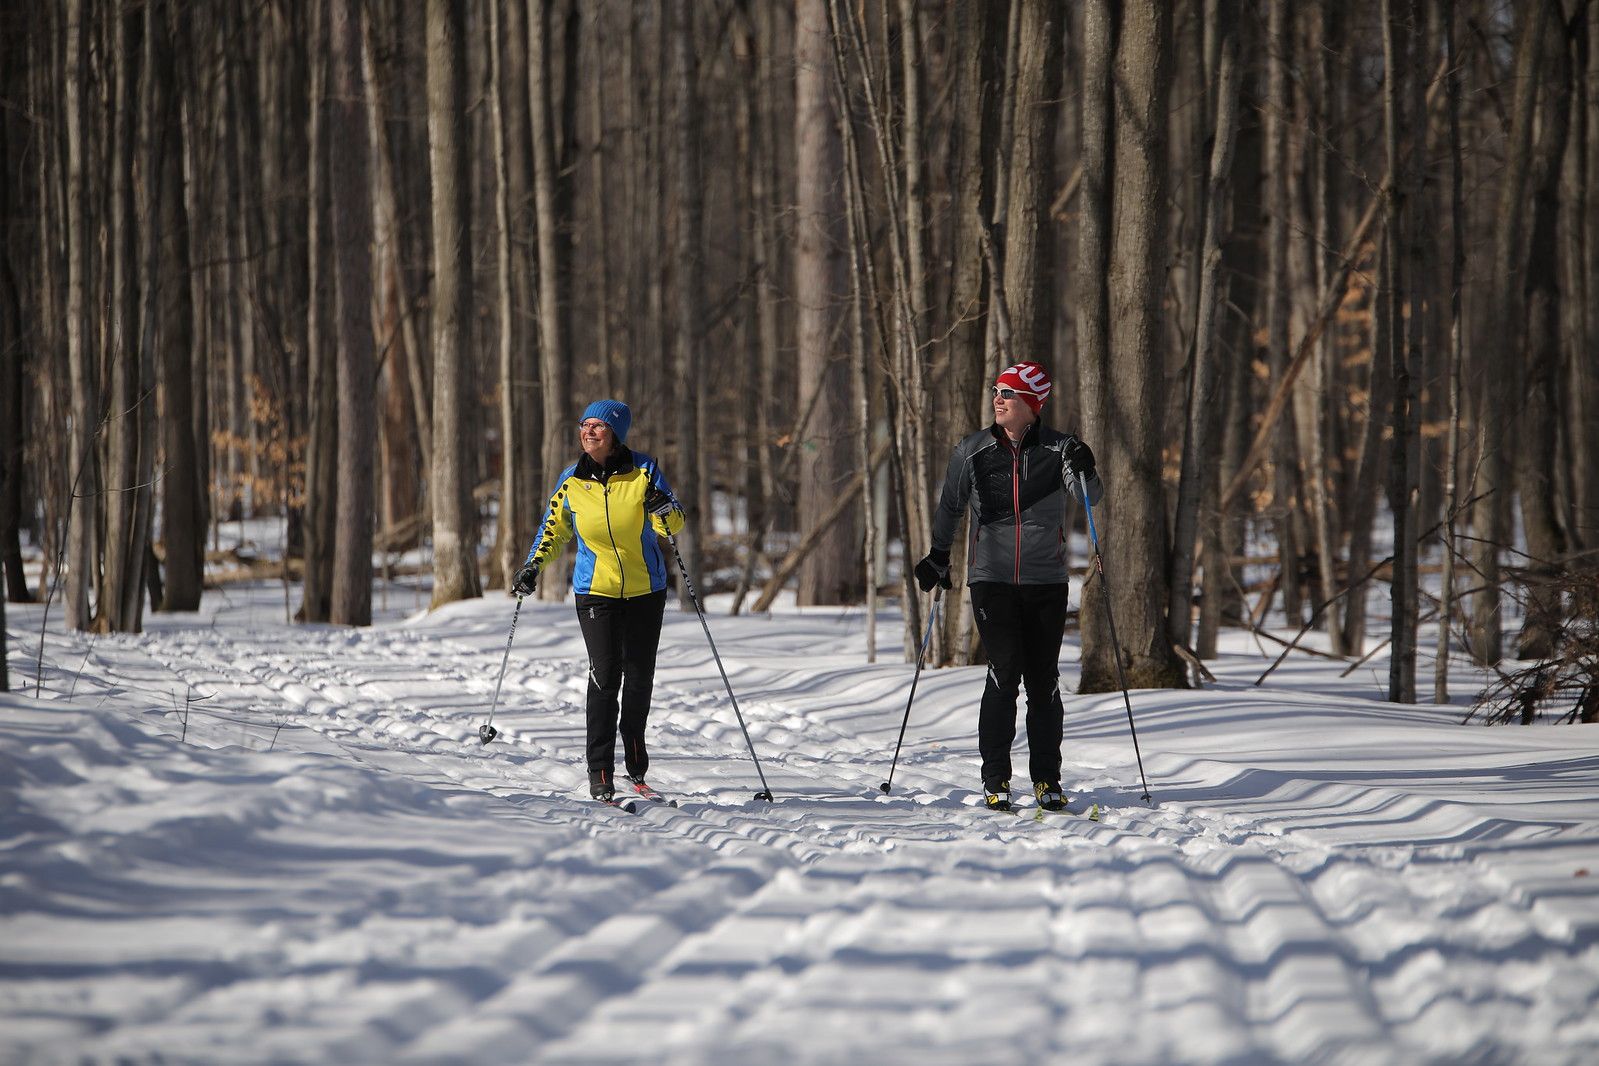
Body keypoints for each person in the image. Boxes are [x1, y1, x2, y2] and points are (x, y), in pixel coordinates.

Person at [913, 362, 1103, 812]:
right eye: (996, 390)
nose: (998, 399)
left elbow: (1089, 498)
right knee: (1004, 672)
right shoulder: (972, 450)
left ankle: (1047, 780)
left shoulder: (1060, 450)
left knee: (1044, 681)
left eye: (1009, 394)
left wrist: (1087, 464)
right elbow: (951, 506)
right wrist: (939, 555)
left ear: (1033, 405)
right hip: (991, 579)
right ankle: (996, 778)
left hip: (1047, 580)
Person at [512, 399, 685, 803]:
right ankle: (600, 770)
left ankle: (637, 768)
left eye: (598, 427)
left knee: (640, 678)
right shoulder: (571, 479)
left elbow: (672, 522)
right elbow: (552, 530)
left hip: (646, 589)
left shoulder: (644, 470)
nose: (588, 432)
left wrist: (662, 509)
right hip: (596, 591)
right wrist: (532, 567)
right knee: (606, 677)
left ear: (616, 434)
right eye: (584, 425)